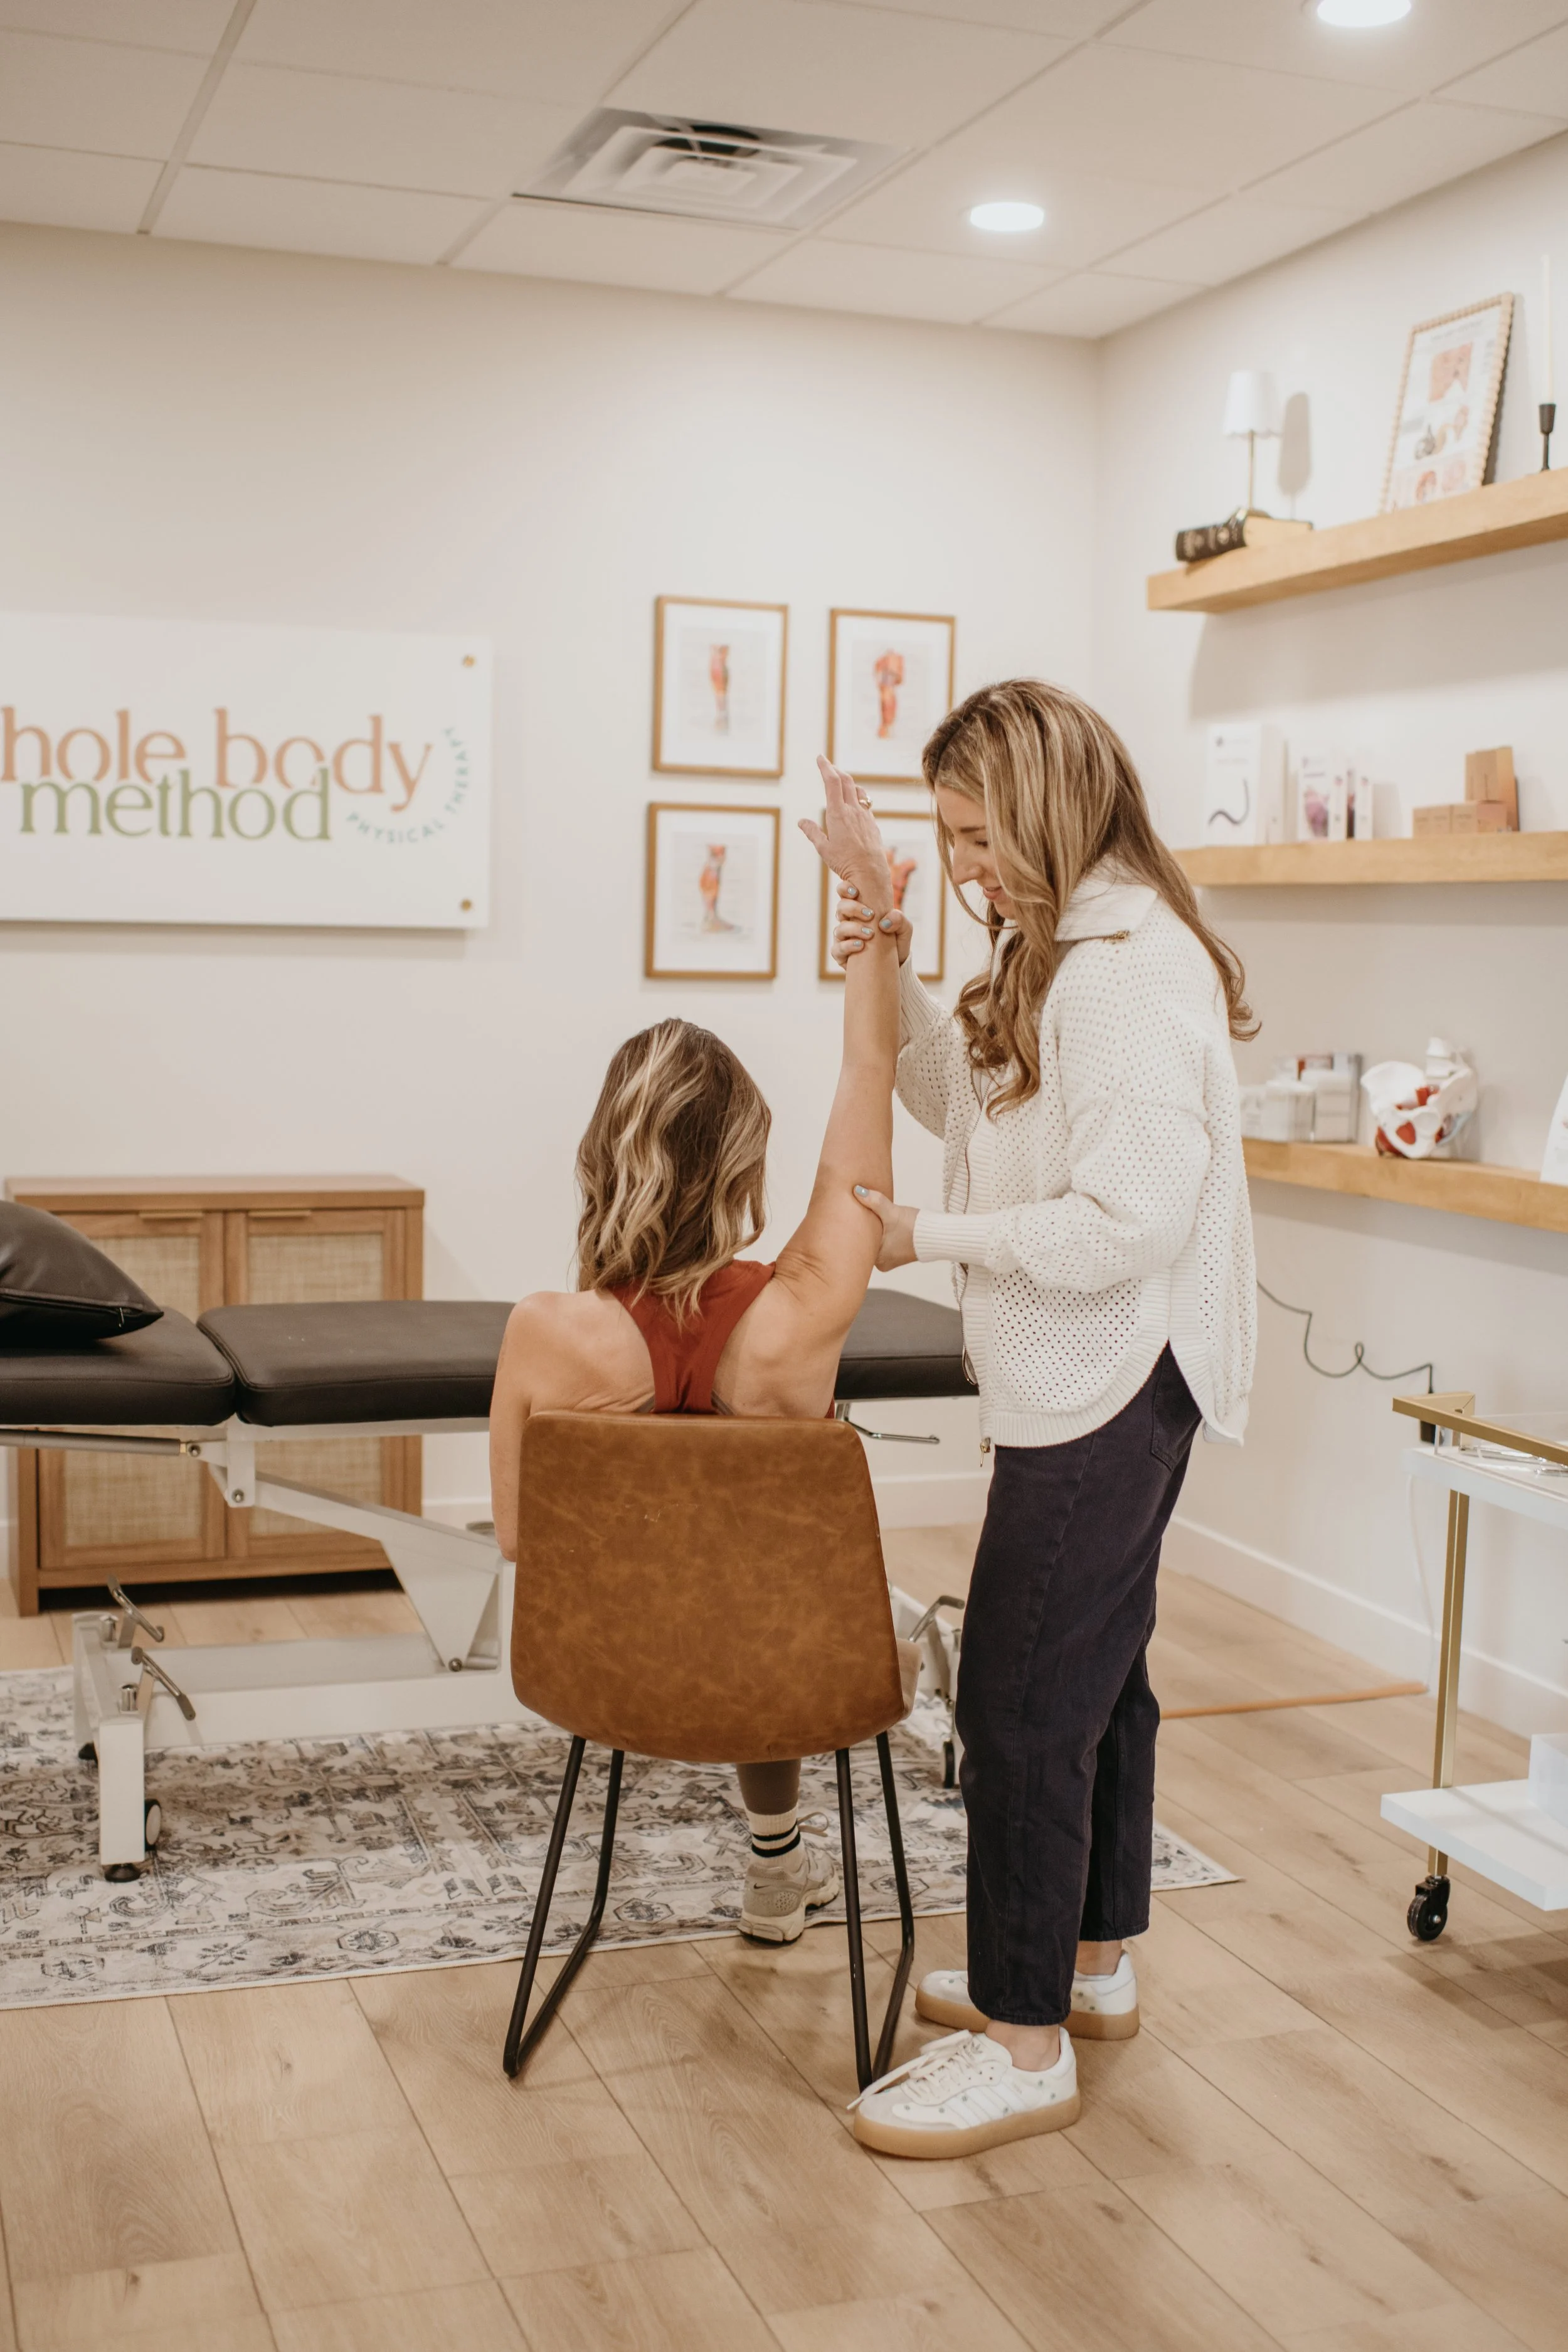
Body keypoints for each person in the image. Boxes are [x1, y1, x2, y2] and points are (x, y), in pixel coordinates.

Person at [814, 679, 1256, 2160]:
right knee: (1097, 1684)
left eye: (974, 835)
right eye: (942, 840)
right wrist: (881, 940)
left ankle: (1021, 2047)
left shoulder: (1128, 974)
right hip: (1084, 1369)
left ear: (1051, 809)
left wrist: (922, 1243)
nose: (962, 868)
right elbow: (974, 1095)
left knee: (1014, 1705)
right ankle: (1087, 1964)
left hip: (1112, 1373)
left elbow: (1126, 1223)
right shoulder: (1053, 943)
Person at [490, 757, 901, 1945]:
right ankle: (779, 1865)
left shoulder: (545, 1334)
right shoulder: (802, 1314)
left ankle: (774, 1867)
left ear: (602, 1157)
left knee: (709, 1591)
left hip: (608, 1677)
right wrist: (872, 911)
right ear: (742, 1172)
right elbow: (870, 1072)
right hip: (784, 1666)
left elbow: (524, 1540)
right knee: (764, 1595)